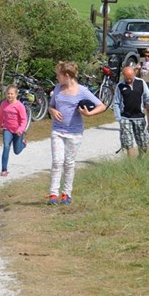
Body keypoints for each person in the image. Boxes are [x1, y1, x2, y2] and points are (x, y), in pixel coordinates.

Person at [46, 61, 106, 205]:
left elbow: (102, 106)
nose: (57, 78)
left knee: (69, 162)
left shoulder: (82, 90)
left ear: (67, 76)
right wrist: (52, 110)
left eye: (58, 76)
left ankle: (66, 194)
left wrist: (89, 114)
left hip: (75, 132)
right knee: (57, 162)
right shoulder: (58, 89)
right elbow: (51, 106)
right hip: (58, 131)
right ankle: (53, 194)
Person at [113, 65, 149, 157]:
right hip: (125, 117)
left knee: (143, 141)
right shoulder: (120, 86)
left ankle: (142, 159)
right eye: (127, 78)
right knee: (128, 142)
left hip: (139, 116)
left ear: (134, 74)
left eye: (130, 78)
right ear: (124, 76)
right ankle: (131, 163)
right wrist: (119, 118)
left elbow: (148, 97)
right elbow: (116, 103)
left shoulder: (141, 82)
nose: (129, 80)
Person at [0, 85, 28, 178]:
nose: (9, 96)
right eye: (8, 93)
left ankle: (23, 144)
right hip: (7, 129)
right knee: (6, 146)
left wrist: (20, 130)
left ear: (16, 95)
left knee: (17, 151)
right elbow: (1, 116)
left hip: (18, 131)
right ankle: (4, 170)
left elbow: (24, 120)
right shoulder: (3, 104)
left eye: (11, 94)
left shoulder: (20, 106)